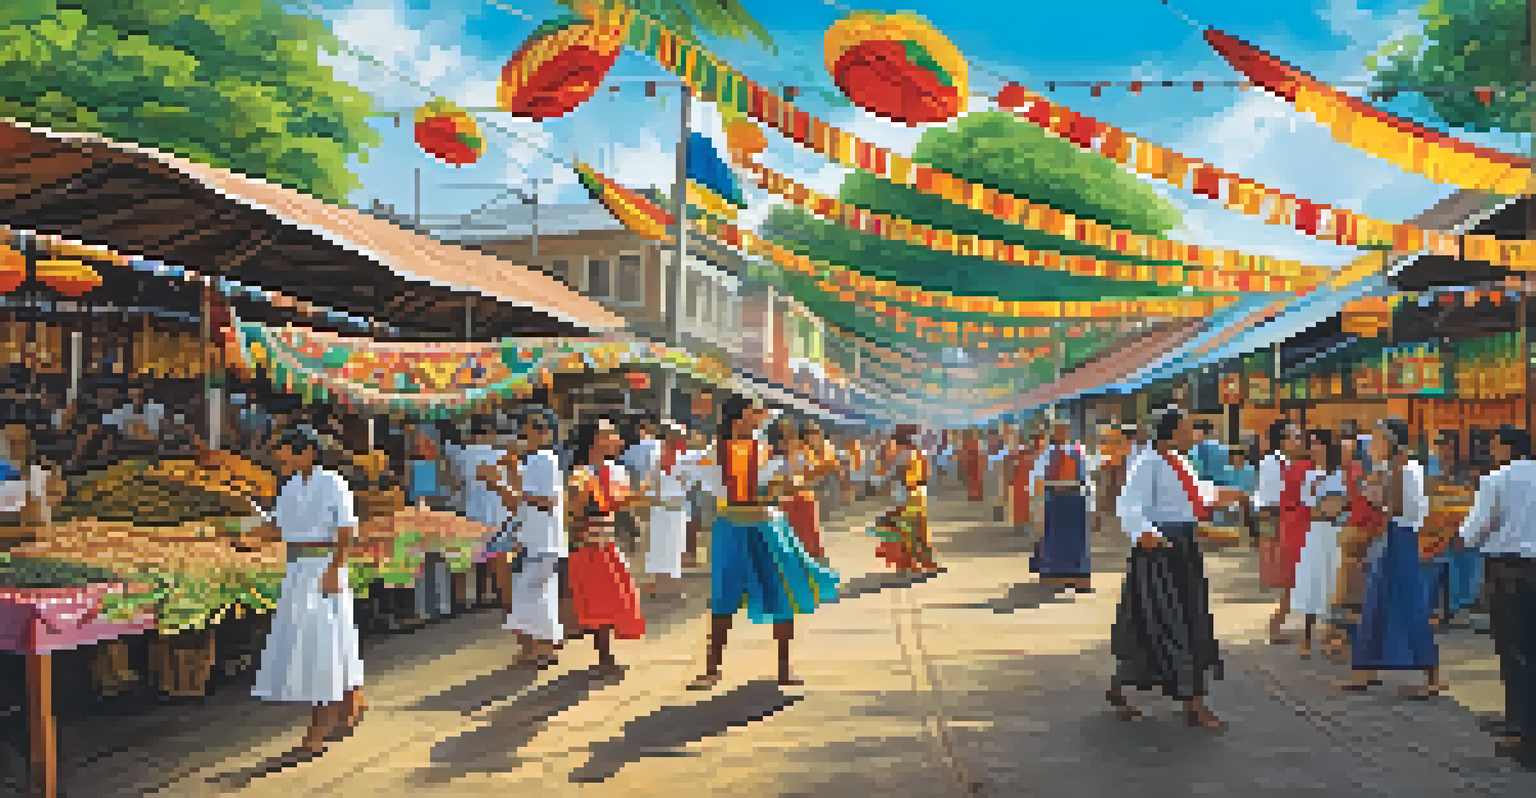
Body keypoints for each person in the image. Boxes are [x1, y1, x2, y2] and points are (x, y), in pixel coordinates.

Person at [686, 398, 840, 689]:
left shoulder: (767, 451)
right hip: (730, 526)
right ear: (739, 417)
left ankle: (784, 667)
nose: (761, 416)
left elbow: (787, 482)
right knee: (723, 596)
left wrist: (802, 477)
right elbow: (698, 479)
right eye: (754, 412)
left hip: (767, 525)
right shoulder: (713, 452)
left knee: (782, 590)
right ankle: (711, 669)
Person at [1111, 408, 1242, 728]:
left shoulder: (1179, 462)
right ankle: (1194, 704)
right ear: (1171, 432)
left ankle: (1123, 689)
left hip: (1183, 547)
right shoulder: (1149, 463)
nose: (1193, 433)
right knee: (1170, 622)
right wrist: (1148, 536)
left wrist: (1227, 495)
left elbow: (1194, 494)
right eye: (1187, 428)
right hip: (1159, 550)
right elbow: (1128, 504)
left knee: (1174, 620)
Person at [250, 426, 366, 757]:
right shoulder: (289, 487)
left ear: (307, 453)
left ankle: (317, 732)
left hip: (324, 568)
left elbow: (346, 529)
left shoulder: (332, 482)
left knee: (322, 646)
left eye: (286, 454)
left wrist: (335, 569)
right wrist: (244, 534)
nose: (280, 460)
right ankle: (353, 699)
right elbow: (276, 526)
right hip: (298, 570)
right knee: (331, 640)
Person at [1342, 418, 1443, 697]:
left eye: (1377, 439)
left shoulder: (1408, 470)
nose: (1372, 445)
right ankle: (1364, 671)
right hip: (1388, 537)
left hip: (1402, 539)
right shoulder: (1386, 469)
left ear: (1391, 442)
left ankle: (1432, 675)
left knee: (1412, 605)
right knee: (1375, 604)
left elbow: (1396, 506)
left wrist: (1385, 483)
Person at [1458, 425, 1536, 764]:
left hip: (1508, 570)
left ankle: (1521, 728)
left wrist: (1459, 537)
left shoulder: (1496, 480)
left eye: (1494, 445)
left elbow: (1477, 528)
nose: (1492, 451)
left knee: (1513, 648)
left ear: (1508, 448)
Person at [565, 415, 648, 678]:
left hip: (606, 543)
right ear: (595, 440)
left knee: (617, 597)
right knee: (600, 602)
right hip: (588, 546)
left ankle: (605, 655)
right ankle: (604, 656)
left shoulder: (614, 470)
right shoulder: (581, 473)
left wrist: (642, 494)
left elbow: (618, 504)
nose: (616, 438)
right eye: (609, 433)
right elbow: (573, 513)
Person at [491, 409, 567, 669]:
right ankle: (538, 650)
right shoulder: (535, 461)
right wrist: (507, 473)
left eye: (541, 427)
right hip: (537, 538)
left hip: (541, 540)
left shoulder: (543, 460)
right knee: (533, 595)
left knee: (534, 595)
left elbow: (545, 501)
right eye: (535, 426)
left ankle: (543, 650)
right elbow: (519, 501)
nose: (538, 431)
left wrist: (498, 482)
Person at [1292, 430, 1345, 659]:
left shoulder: (1339, 475)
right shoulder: (1309, 475)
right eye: (1310, 443)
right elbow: (1312, 508)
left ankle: (1331, 635)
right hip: (1315, 532)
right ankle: (1306, 637)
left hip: (1334, 533)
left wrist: (1326, 507)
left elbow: (1338, 506)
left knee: (1333, 581)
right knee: (1312, 581)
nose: (1312, 448)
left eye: (1316, 443)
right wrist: (1325, 506)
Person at [1030, 419, 1095, 593]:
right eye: (1058, 430)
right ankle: (1055, 579)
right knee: (1055, 540)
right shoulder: (1046, 453)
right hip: (1054, 500)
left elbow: (1086, 477)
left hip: (1075, 501)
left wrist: (1090, 501)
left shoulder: (1078, 451)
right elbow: (1038, 477)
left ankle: (1078, 578)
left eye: (1065, 429)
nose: (1062, 433)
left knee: (1076, 541)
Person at [1261, 422, 1312, 644]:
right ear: (1283, 441)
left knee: (1305, 575)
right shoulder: (1273, 463)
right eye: (1296, 438)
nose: (1301, 442)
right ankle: (1277, 624)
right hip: (1290, 521)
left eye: (1301, 438)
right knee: (1293, 576)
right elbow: (1268, 500)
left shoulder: (1306, 464)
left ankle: (1306, 631)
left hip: (1306, 521)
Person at [870, 424, 939, 575]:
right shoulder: (906, 454)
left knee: (913, 530)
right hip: (909, 493)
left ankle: (917, 563)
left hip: (912, 493)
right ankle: (915, 564)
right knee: (912, 530)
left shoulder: (908, 453)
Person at [642, 421, 696, 597]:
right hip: (660, 510)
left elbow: (689, 484)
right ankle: (658, 587)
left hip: (677, 510)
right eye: (674, 436)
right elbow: (651, 482)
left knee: (675, 548)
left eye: (679, 436)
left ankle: (674, 588)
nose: (677, 439)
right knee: (659, 548)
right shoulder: (656, 456)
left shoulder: (685, 457)